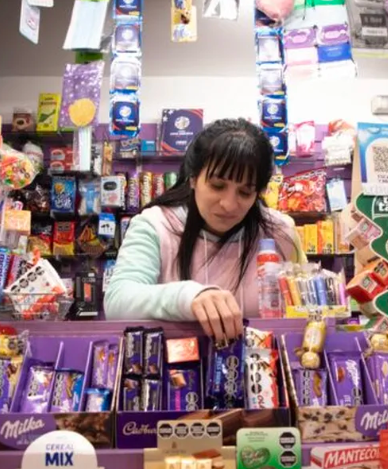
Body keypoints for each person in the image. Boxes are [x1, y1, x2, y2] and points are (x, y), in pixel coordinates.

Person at [105, 118, 305, 340]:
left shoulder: (280, 232)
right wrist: (189, 297)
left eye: (245, 192)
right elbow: (118, 301)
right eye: (217, 186)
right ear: (193, 178)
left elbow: (304, 305)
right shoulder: (155, 225)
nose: (228, 204)